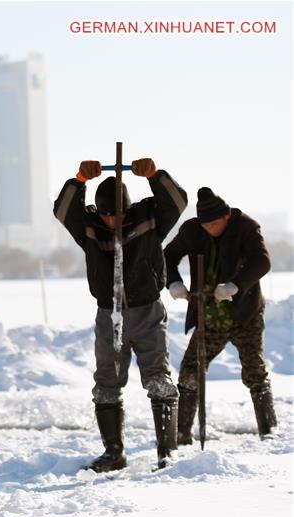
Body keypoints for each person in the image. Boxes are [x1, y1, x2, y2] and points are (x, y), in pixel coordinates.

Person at [53, 158, 187, 470]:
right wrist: (79, 180)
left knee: (159, 380)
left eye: (118, 214)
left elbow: (178, 201)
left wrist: (154, 175)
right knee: (107, 384)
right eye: (106, 215)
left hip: (148, 312)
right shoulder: (88, 226)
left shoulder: (150, 218)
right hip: (108, 315)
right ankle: (114, 452)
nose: (112, 220)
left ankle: (167, 451)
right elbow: (62, 210)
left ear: (128, 208)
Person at [164, 187, 276, 443]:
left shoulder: (246, 227)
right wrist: (173, 282)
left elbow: (262, 261)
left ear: (226, 216)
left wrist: (236, 285)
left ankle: (268, 429)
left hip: (244, 313)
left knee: (254, 370)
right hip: (208, 316)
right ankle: (182, 433)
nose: (210, 229)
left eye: (214, 224)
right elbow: (168, 255)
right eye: (205, 225)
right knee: (190, 370)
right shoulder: (192, 229)